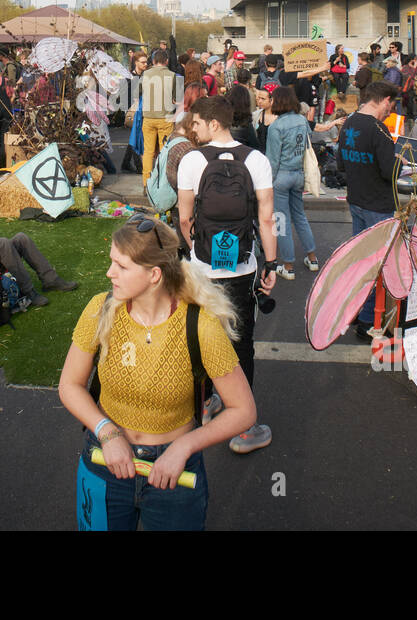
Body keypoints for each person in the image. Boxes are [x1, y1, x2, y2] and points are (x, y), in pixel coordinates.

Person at [58, 217, 257, 530]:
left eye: (121, 267)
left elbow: (243, 410)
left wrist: (184, 447)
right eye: (112, 262)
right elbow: (70, 385)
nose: (110, 273)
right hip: (104, 461)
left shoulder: (200, 326)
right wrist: (107, 433)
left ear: (154, 275)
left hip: (174, 475)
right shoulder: (100, 308)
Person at [175, 95, 278, 454]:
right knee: (241, 344)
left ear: (214, 123)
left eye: (198, 123)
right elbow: (265, 219)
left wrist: (194, 251)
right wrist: (272, 264)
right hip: (243, 267)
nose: (194, 128)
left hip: (201, 268)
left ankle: (205, 406)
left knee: (201, 340)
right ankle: (244, 427)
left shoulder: (191, 160)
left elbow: (185, 217)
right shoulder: (256, 160)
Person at [339, 81, 401, 338]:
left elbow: (341, 165)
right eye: (392, 105)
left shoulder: (349, 123)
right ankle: (367, 321)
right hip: (378, 205)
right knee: (378, 266)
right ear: (385, 100)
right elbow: (390, 173)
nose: (391, 111)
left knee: (362, 262)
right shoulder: (380, 130)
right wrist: (400, 162)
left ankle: (358, 312)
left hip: (357, 201)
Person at [264, 87, 320, 280]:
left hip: (281, 177)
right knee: (300, 216)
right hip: (298, 174)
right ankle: (312, 258)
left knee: (281, 221)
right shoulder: (302, 120)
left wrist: (267, 183)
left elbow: (273, 159)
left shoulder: (275, 127)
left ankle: (288, 266)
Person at [140, 50, 180, 190]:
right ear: (166, 61)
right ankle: (163, 182)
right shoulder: (172, 75)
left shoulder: (145, 74)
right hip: (165, 118)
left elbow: (139, 92)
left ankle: (146, 183)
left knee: (148, 151)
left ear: (153, 60)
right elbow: (177, 99)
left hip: (148, 117)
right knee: (164, 152)